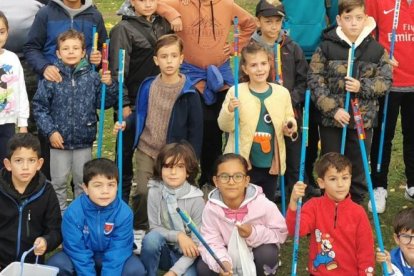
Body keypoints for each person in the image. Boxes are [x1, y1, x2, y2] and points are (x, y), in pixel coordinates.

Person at [114, 34, 202, 254]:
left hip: (173, 156)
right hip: (147, 148)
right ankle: (140, 228)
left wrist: (191, 158)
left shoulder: (189, 92)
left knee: (169, 193)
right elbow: (140, 113)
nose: (169, 61)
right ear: (156, 60)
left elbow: (196, 129)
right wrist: (127, 124)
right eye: (164, 56)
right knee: (144, 191)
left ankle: (172, 230)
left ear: (182, 58)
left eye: (174, 56)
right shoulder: (148, 86)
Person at [157, 0, 256, 189]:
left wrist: (238, 45)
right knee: (195, 128)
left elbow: (250, 23)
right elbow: (156, 4)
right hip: (192, 78)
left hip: (221, 77)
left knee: (216, 129)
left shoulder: (226, 4)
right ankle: (190, 177)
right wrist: (173, 14)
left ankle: (212, 178)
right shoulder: (181, 3)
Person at [308, 0, 392, 204]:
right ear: (338, 19)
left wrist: (361, 86)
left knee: (357, 167)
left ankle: (354, 209)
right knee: (332, 166)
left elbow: (386, 80)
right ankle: (330, 208)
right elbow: (315, 80)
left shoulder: (376, 50)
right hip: (333, 121)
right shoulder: (326, 47)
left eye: (358, 18)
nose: (353, 23)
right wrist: (334, 110)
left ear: (365, 19)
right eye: (348, 18)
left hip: (362, 121)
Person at [32, 30, 117, 213]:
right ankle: (59, 220)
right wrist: (51, 132)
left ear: (83, 52)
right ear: (58, 53)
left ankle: (80, 218)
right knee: (58, 183)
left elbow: (105, 103)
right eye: (66, 48)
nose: (71, 52)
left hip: (83, 141)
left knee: (82, 183)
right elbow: (39, 108)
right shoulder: (51, 78)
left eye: (75, 48)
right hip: (58, 142)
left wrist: (108, 85)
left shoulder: (92, 77)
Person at [23, 0, 107, 180]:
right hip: (55, 91)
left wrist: (98, 57)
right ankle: (50, 202)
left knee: (81, 177)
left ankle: (79, 204)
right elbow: (31, 48)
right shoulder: (46, 13)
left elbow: (100, 49)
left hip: (82, 97)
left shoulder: (94, 15)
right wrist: (44, 67)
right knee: (53, 172)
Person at [109, 0, 177, 204]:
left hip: (159, 99)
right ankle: (119, 199)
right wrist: (123, 103)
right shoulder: (123, 29)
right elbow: (118, 69)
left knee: (157, 147)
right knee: (125, 152)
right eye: (141, 0)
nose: (147, 4)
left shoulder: (163, 24)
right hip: (133, 100)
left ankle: (159, 199)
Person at [218, 41, 296, 202]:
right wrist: (230, 110)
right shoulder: (236, 91)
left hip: (270, 162)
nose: (260, 69)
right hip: (244, 160)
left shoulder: (282, 93)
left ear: (269, 64)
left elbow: (289, 120)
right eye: (253, 65)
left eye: (263, 63)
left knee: (265, 201)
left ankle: (262, 227)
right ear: (245, 69)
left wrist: (290, 127)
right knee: (242, 200)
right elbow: (224, 126)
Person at [47, 158, 146, 275]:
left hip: (110, 256)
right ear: (85, 188)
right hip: (82, 256)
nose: (105, 191)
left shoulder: (124, 213)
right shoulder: (73, 212)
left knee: (135, 270)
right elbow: (77, 249)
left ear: (117, 186)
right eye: (98, 185)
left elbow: (118, 251)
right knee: (57, 264)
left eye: (111, 185)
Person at [251, 0, 310, 197]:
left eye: (277, 21)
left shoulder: (292, 47)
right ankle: (264, 197)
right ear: (258, 21)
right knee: (264, 157)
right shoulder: (250, 49)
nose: (273, 26)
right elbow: (244, 80)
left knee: (293, 158)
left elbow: (304, 80)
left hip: (289, 112)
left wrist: (289, 100)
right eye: (268, 21)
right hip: (260, 115)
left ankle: (293, 200)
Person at [196, 153, 288, 275]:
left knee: (267, 254)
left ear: (246, 181)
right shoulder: (211, 209)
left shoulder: (263, 204)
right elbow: (210, 241)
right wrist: (222, 262)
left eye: (238, 176)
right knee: (203, 267)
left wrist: (252, 233)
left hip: (256, 252)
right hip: (226, 254)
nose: (231, 182)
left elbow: (280, 233)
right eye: (224, 176)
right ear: (216, 181)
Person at [287, 152, 375, 275]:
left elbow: (366, 251)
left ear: (350, 179)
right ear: (321, 182)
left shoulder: (358, 213)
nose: (340, 184)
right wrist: (293, 201)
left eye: (345, 178)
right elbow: (295, 230)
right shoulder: (314, 206)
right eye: (333, 179)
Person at [366, 0, 414, 213]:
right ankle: (379, 186)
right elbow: (367, 33)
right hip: (389, 82)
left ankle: (412, 184)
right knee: (383, 136)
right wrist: (381, 55)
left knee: (412, 135)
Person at [140, 142, 205, 276]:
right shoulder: (154, 191)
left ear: (188, 172)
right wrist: (178, 235)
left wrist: (174, 272)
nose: (173, 172)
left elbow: (196, 244)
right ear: (160, 169)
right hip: (164, 249)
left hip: (188, 256)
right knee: (151, 239)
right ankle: (148, 272)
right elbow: (154, 228)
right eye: (168, 166)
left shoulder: (197, 199)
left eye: (180, 167)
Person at [0, 133, 61, 271]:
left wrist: (46, 241)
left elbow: (55, 229)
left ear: (39, 164)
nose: (25, 167)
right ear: (8, 164)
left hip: (32, 265)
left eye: (31, 160)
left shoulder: (46, 191)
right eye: (19, 161)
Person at [0, 11, 29, 169]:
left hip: (8, 123)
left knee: (7, 166)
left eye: (1, 32)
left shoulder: (12, 58)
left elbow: (20, 91)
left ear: (8, 32)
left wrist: (23, 122)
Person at [376, 207, 414, 275]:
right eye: (406, 236)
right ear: (397, 239)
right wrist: (388, 266)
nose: (412, 242)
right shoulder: (392, 260)